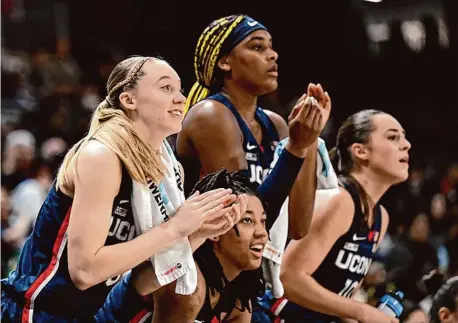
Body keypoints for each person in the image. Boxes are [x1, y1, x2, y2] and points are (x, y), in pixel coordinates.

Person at [1, 56, 237, 322]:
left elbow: (144, 279)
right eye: (166, 88)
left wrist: (196, 234)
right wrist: (175, 229)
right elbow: (84, 272)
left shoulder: (168, 168)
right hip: (35, 311)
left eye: (180, 89)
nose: (181, 98)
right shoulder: (102, 155)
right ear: (129, 100)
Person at [177, 14, 331, 237]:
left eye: (271, 47)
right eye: (257, 47)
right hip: (201, 262)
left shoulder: (275, 124)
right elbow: (242, 221)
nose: (273, 55)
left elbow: (297, 228)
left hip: (250, 264)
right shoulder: (211, 115)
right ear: (224, 62)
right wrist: (296, 148)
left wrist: (309, 137)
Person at [269, 109, 411, 323]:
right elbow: (288, 278)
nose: (406, 144)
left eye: (403, 136)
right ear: (360, 151)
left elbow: (341, 296)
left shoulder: (380, 217)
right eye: (393, 137)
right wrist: (362, 312)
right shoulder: (340, 201)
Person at [96, 169, 270, 323]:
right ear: (215, 230)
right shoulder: (184, 283)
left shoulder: (238, 301)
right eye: (247, 220)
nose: (262, 232)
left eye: (263, 221)